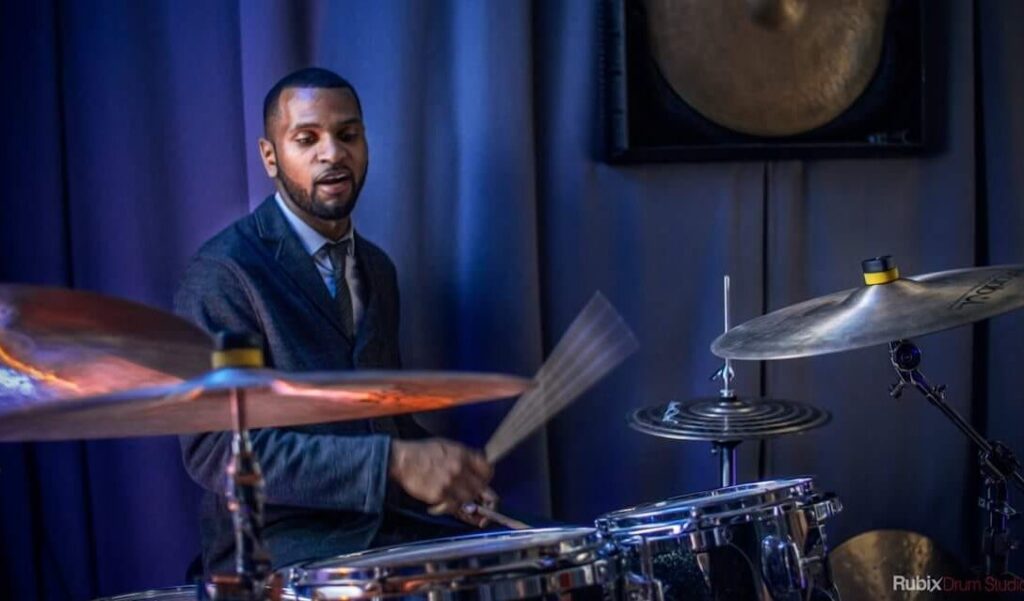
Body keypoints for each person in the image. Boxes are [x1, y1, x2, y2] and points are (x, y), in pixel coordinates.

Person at [174, 67, 496, 574]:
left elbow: (381, 418)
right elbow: (219, 451)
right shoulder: (224, 273)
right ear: (270, 157)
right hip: (278, 548)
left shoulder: (377, 269)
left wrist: (445, 472)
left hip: (386, 528)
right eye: (307, 139)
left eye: (348, 135)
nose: (333, 153)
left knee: (543, 554)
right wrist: (394, 464)